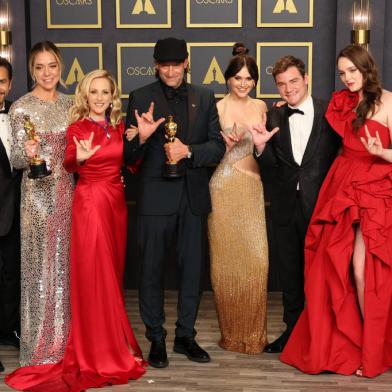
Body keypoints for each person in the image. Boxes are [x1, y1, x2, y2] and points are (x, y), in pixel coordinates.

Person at [6, 69, 146, 391]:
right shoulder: (78, 127)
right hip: (89, 204)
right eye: (93, 92)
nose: (99, 98)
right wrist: (80, 158)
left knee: (112, 274)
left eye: (104, 92)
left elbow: (131, 164)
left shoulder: (118, 127)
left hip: (116, 206)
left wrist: (142, 138)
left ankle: (112, 342)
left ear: (113, 97)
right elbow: (68, 161)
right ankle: (98, 350)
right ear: (85, 96)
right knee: (96, 278)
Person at [280, 45, 392, 378]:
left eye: (352, 71)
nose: (347, 78)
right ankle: (350, 346)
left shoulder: (389, 101)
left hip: (376, 187)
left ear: (366, 68)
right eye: (342, 73)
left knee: (363, 271)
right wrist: (285, 106)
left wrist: (383, 151)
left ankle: (372, 349)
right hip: (343, 185)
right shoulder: (341, 101)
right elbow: (316, 128)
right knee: (330, 268)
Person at [124, 37, 225, 368]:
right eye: (163, 65)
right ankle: (156, 338)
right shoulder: (140, 98)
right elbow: (127, 157)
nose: (169, 70)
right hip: (154, 198)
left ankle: (186, 336)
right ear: (156, 65)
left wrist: (189, 152)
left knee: (192, 271)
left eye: (175, 64)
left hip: (192, 197)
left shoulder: (205, 97)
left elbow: (217, 147)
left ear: (186, 62)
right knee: (150, 271)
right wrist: (140, 137)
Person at [251, 55, 340, 353]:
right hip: (285, 206)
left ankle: (323, 335)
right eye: (281, 85)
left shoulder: (331, 111)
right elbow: (270, 169)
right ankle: (292, 331)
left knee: (323, 275)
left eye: (293, 81)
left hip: (323, 207)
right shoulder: (273, 117)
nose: (288, 90)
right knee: (290, 273)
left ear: (305, 79)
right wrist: (261, 147)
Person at [7, 41, 73, 367]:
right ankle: (39, 347)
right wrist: (28, 151)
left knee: (65, 269)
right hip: (35, 197)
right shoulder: (20, 107)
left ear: (60, 67)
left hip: (67, 192)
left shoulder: (72, 105)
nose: (47, 73)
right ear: (32, 70)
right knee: (38, 271)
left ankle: (66, 343)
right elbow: (17, 160)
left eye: (52, 66)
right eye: (39, 67)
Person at [208, 43, 269, 354]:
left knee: (258, 261)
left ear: (256, 81)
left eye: (249, 78)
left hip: (252, 187)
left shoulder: (262, 107)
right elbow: (206, 149)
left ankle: (254, 334)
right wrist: (224, 147)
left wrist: (260, 146)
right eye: (238, 78)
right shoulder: (216, 108)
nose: (243, 84)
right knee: (225, 264)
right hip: (223, 186)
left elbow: (270, 151)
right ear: (228, 79)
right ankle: (230, 334)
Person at [0, 57, 22, 373]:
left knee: (11, 276)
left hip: (16, 212)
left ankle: (7, 329)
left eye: (2, 81)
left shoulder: (19, 114)